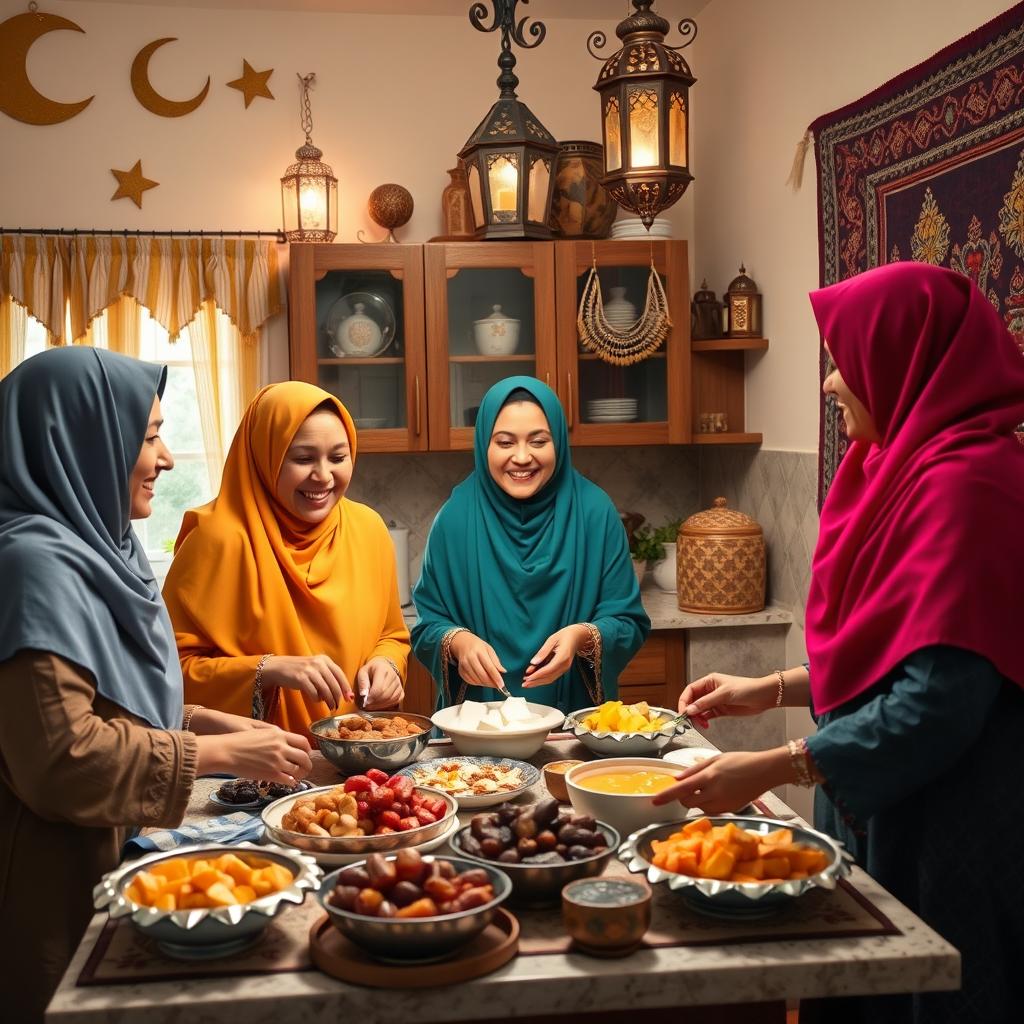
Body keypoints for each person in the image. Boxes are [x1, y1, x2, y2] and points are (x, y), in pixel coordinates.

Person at [653, 263, 1024, 1024]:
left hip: (951, 819)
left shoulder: (971, 486)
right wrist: (773, 689)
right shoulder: (895, 465)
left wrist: (777, 765)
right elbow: (888, 646)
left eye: (844, 362)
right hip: (884, 795)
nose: (828, 384)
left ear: (905, 361)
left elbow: (937, 702)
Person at [0, 347, 313, 1022]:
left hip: (111, 860)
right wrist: (220, 756)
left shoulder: (101, 546)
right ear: (80, 443)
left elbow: (119, 703)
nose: (167, 458)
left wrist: (214, 722)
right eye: (147, 438)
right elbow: (63, 759)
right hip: (52, 886)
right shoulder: (31, 568)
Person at [162, 381, 410, 735]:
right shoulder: (214, 540)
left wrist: (388, 664)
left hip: (355, 760)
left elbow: (391, 634)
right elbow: (170, 674)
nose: (323, 476)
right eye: (303, 458)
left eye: (338, 457)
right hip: (252, 771)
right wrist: (269, 669)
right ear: (266, 457)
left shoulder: (368, 529)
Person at [412, 376, 649, 713]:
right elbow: (427, 628)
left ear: (559, 443)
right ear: (484, 445)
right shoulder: (455, 518)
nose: (522, 457)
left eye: (538, 441)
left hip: (573, 726)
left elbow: (627, 622)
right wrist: (459, 643)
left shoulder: (595, 513)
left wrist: (581, 636)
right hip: (480, 731)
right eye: (505, 442)